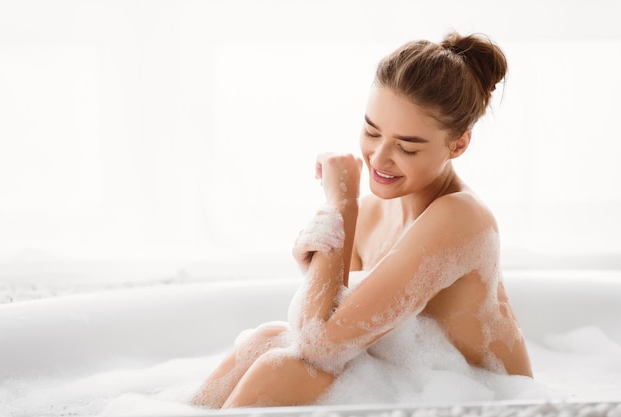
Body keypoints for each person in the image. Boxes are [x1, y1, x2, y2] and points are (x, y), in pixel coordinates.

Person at [191, 31, 533, 409]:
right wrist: (326, 247)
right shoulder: (373, 212)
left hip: (488, 401)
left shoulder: (461, 217)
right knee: (265, 340)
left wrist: (340, 206)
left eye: (406, 147)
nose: (379, 158)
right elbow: (325, 332)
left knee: (280, 369)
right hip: (419, 383)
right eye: (371, 131)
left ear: (458, 144)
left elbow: (318, 344)